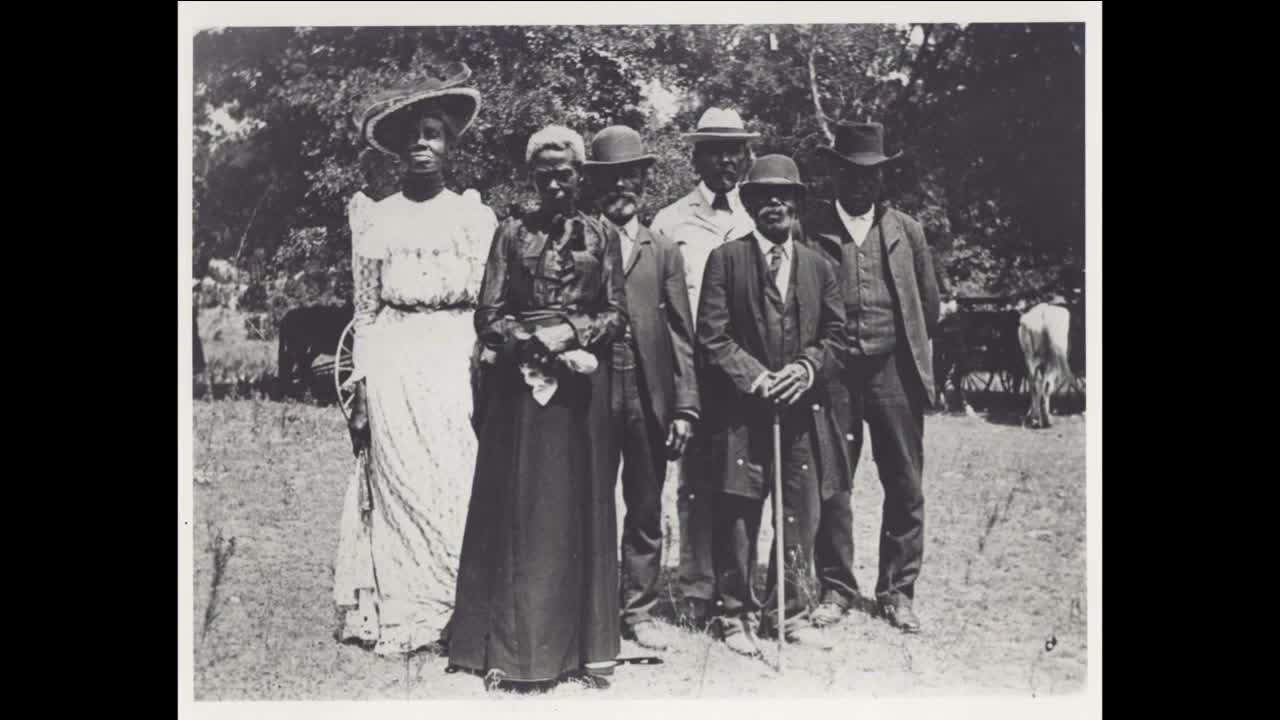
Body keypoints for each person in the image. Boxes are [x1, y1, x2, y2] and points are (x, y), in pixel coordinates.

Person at [449, 125, 628, 691]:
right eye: (544, 173)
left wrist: (571, 334)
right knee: (519, 509)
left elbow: (617, 314)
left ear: (580, 176)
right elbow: (489, 312)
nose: (555, 182)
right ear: (532, 177)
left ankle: (580, 650)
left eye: (565, 172)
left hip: (580, 392)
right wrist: (532, 345)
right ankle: (512, 650)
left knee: (577, 508)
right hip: (519, 392)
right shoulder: (510, 233)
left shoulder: (602, 235)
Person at [331, 63, 499, 656]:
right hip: (397, 358)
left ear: (451, 144)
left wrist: (485, 369)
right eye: (413, 136)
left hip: (454, 358)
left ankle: (459, 605)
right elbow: (368, 310)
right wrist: (363, 384)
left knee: (454, 476)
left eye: (433, 133)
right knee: (400, 480)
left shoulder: (473, 217)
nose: (421, 145)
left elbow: (488, 307)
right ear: (399, 149)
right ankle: (405, 608)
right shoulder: (377, 217)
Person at [696, 155, 849, 656]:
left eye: (784, 196)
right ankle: (733, 614)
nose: (774, 204)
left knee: (798, 514)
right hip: (741, 413)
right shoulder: (727, 260)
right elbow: (712, 338)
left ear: (798, 204)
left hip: (801, 414)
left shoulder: (820, 267)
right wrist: (758, 378)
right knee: (739, 511)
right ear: (750, 204)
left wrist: (804, 370)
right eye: (763, 196)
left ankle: (789, 613)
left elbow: (837, 336)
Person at [802, 122, 942, 634]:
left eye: (872, 175)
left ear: (883, 178)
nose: (862, 184)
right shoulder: (809, 228)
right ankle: (835, 587)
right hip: (833, 375)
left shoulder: (908, 231)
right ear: (835, 174)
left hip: (893, 373)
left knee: (904, 483)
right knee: (832, 484)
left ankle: (898, 592)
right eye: (852, 174)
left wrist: (905, 354)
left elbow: (928, 306)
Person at [583, 126, 700, 651]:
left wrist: (685, 407)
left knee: (646, 505)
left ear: (644, 182)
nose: (621, 187)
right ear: (595, 184)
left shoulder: (665, 250)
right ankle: (591, 605)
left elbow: (681, 332)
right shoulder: (578, 240)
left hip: (650, 392)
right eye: (610, 178)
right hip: (592, 391)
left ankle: (640, 608)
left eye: (630, 176)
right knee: (590, 499)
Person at [648, 107, 758, 626]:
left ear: (746, 156)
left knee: (741, 481)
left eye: (734, 150)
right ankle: (695, 587)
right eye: (714, 149)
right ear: (696, 155)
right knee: (693, 481)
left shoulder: (759, 215)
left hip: (743, 372)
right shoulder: (670, 221)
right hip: (691, 370)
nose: (725, 160)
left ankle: (739, 584)